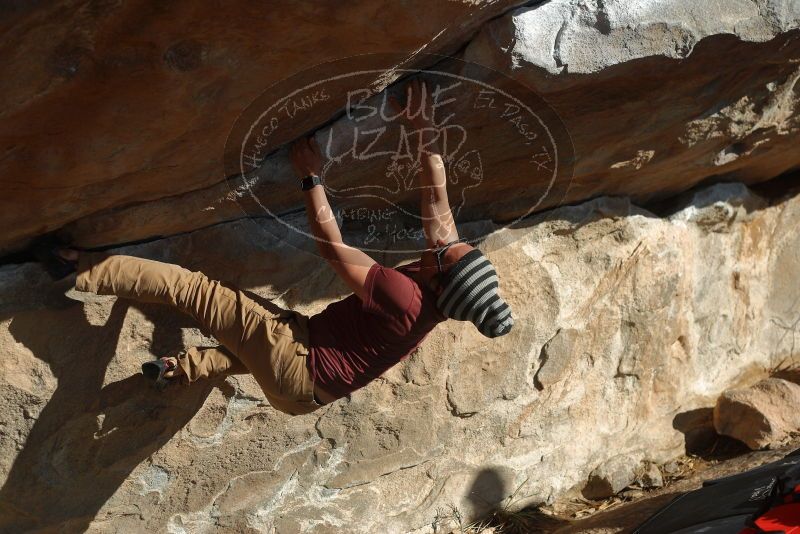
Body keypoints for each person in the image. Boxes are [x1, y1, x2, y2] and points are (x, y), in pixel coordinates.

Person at [35, 78, 514, 417]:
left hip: (296, 363)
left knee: (195, 292)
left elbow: (331, 245)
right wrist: (421, 124)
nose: (449, 242)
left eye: (451, 252)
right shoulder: (435, 295)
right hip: (304, 398)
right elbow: (438, 197)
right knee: (254, 339)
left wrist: (310, 175)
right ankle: (178, 370)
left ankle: (76, 270)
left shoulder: (401, 296)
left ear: (439, 275)